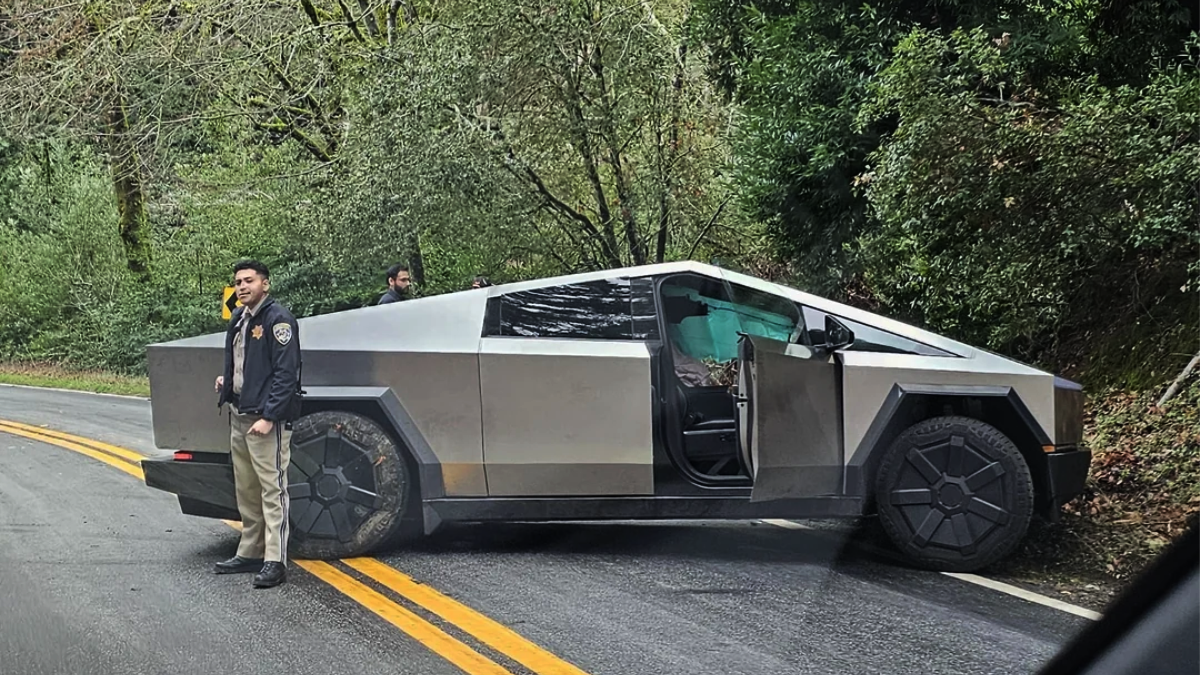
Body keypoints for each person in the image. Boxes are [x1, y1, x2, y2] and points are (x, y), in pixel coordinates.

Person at [213, 260, 302, 589]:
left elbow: (285, 374)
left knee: (272, 489)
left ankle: (274, 560)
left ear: (265, 284)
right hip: (239, 413)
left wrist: (269, 417)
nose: (242, 286)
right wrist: (229, 381)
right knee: (246, 489)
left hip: (266, 420)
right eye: (237, 281)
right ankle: (250, 550)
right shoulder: (239, 318)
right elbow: (245, 362)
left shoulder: (278, 320)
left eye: (249, 280)